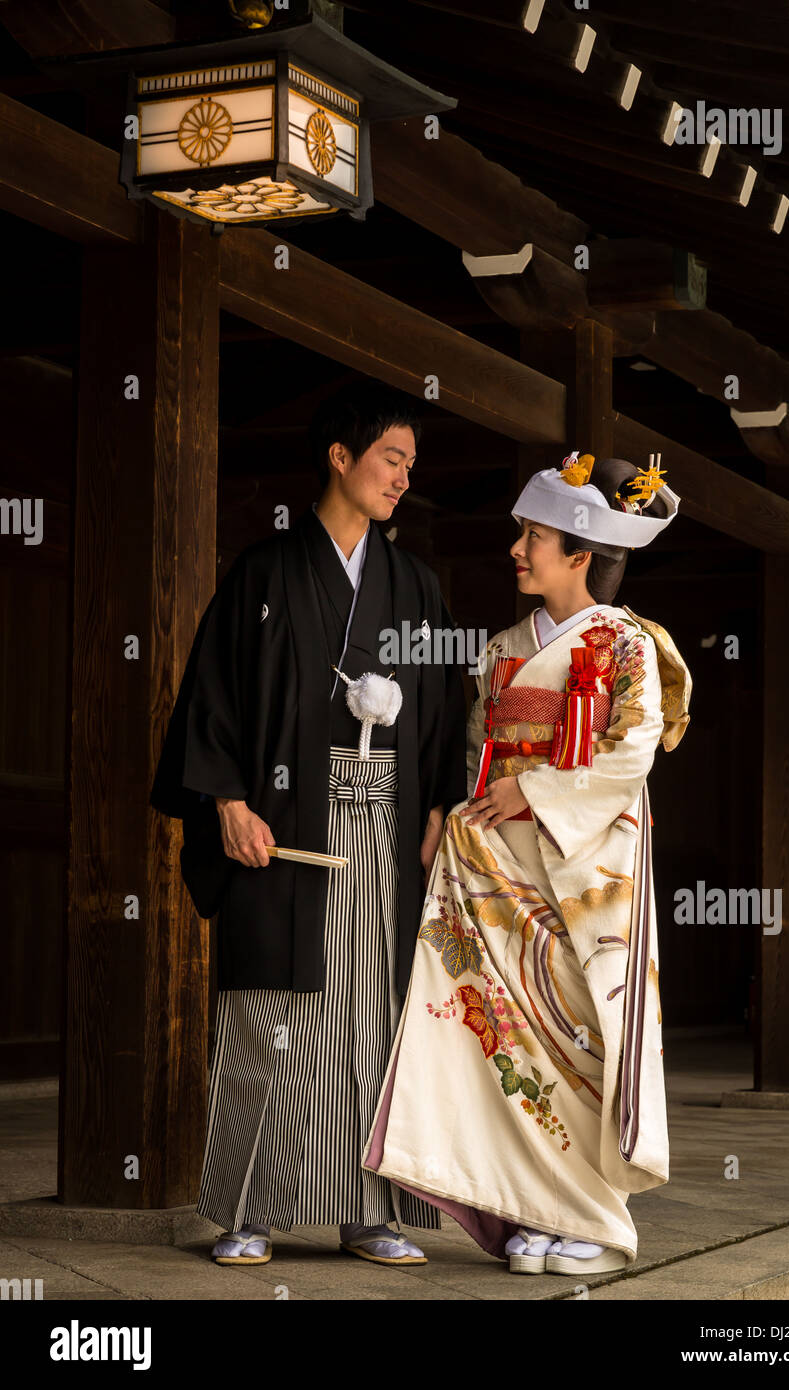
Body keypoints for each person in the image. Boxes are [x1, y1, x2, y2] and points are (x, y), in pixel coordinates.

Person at [150, 381, 466, 1267]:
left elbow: (446, 710)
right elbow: (212, 695)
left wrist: (439, 805)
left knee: (374, 1016)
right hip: (285, 825)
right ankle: (247, 1208)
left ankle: (373, 1212)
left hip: (389, 827)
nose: (403, 477)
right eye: (390, 458)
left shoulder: (415, 585)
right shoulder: (263, 574)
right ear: (341, 456)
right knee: (270, 1013)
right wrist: (227, 802)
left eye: (409, 463)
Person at [363, 451, 693, 1275]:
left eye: (533, 537)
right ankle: (536, 1208)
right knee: (513, 1033)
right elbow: (480, 747)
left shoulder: (625, 644)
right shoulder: (507, 645)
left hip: (588, 869)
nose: (516, 549)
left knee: (584, 1032)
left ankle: (598, 1217)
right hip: (502, 861)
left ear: (580, 554)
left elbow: (630, 752)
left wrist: (532, 793)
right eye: (519, 533)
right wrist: (465, 812)